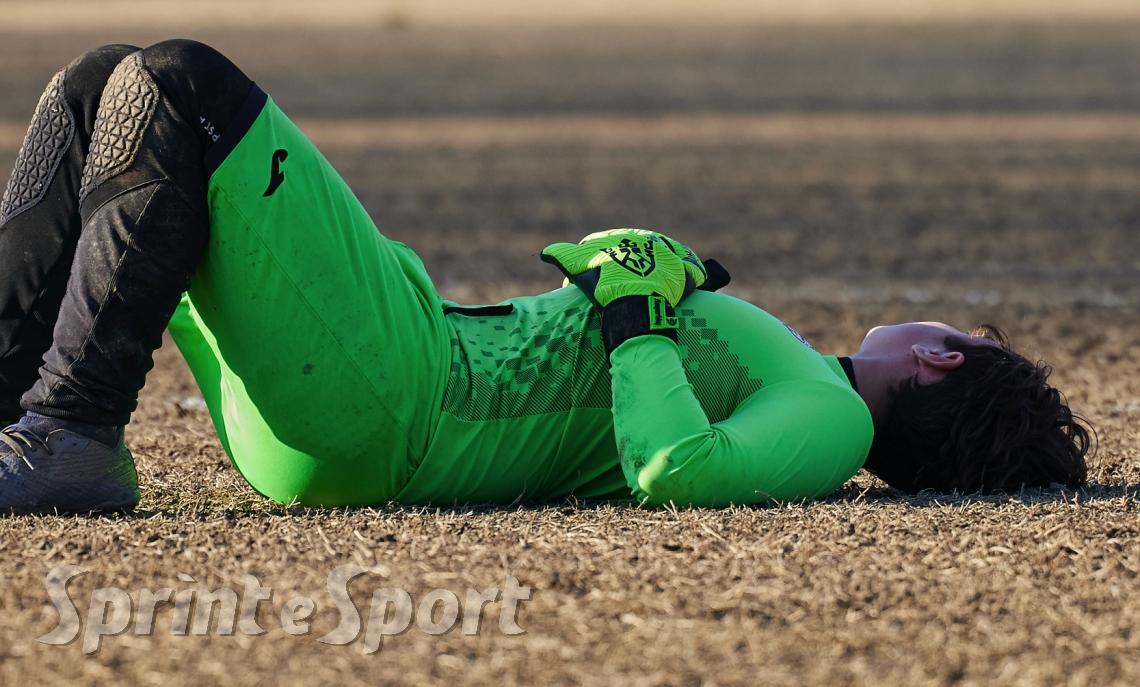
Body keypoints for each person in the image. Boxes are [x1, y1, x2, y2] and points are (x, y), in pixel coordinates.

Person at [0, 41, 1091, 514]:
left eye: (967, 332)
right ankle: (24, 421)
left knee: (184, 85)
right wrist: (639, 292)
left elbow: (681, 471)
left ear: (947, 358)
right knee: (103, 91)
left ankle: (71, 433)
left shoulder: (836, 420)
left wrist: (632, 313)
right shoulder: (799, 379)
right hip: (376, 381)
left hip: (400, 403)